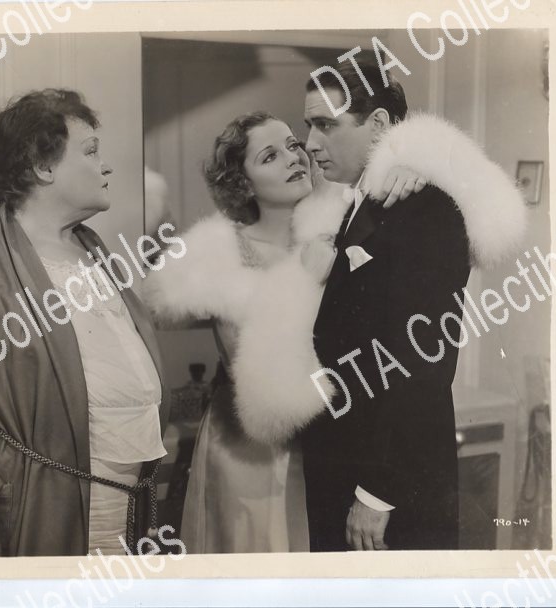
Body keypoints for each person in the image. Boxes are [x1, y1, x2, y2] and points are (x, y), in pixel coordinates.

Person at [142, 111, 424, 553]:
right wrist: (306, 279)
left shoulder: (338, 227)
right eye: (270, 156)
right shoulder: (216, 254)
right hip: (252, 452)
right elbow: (259, 377)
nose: (295, 158)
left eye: (293, 145)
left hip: (333, 442)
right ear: (242, 182)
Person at [0, 89, 170, 557]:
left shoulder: (95, 250)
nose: (106, 166)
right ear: (44, 167)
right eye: (91, 151)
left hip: (130, 505)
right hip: (40, 508)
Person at [281, 58, 528, 551]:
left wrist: (377, 493)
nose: (310, 143)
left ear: (377, 123)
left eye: (326, 125)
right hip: (344, 462)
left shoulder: (424, 207)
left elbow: (422, 359)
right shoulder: (359, 202)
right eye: (309, 126)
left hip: (384, 485)